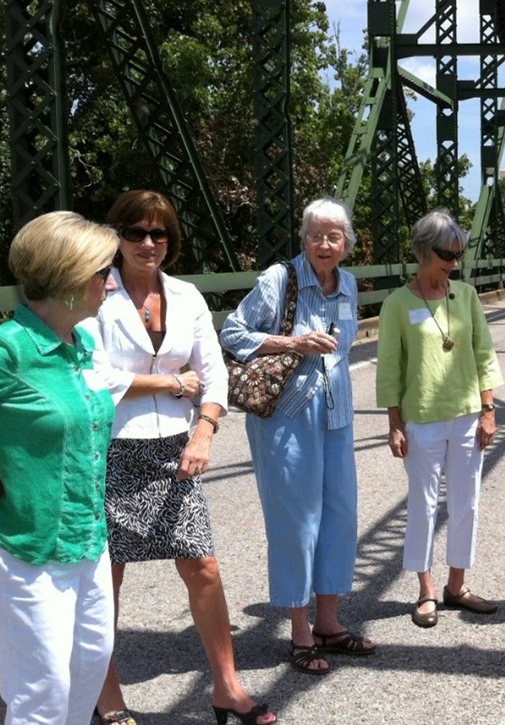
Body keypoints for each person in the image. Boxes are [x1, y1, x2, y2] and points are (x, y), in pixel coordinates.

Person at [84, 191, 275, 725]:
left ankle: (227, 688)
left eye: (159, 233)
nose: (148, 243)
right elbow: (93, 380)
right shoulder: (96, 294)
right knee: (108, 577)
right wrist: (170, 381)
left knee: (203, 567)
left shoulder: (187, 295)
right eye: (136, 232)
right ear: (115, 236)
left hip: (176, 448)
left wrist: (205, 432)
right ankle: (108, 698)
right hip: (111, 451)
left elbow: (213, 373)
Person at [0, 211, 119, 724]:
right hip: (21, 548)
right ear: (69, 281)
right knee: (41, 694)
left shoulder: (80, 345)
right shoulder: (7, 350)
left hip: (86, 541)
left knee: (88, 670)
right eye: (101, 271)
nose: (110, 282)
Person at [220, 197, 374, 675]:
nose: (324, 244)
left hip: (336, 415)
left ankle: (329, 621)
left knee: (340, 518)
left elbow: (343, 349)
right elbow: (232, 332)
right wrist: (293, 342)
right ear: (303, 238)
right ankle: (300, 630)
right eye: (316, 235)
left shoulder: (347, 284)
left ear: (346, 244)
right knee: (296, 523)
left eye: (334, 236)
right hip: (286, 415)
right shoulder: (279, 279)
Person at [376, 208, 504, 628]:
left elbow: (484, 353)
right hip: (423, 418)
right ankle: (426, 591)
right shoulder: (397, 303)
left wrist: (488, 409)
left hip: (468, 415)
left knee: (467, 503)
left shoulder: (464, 295)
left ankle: (458, 585)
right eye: (446, 254)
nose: (453, 262)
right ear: (422, 250)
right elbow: (390, 369)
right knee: (423, 505)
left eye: (458, 255)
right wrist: (395, 424)